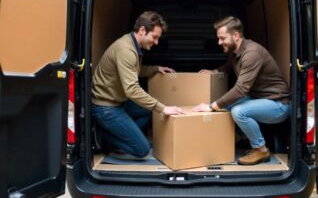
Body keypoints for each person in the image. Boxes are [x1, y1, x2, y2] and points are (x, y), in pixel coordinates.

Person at [193, 16, 290, 165]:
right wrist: (214, 71)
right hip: (259, 99)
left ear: (236, 36)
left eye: (222, 38)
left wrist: (211, 106)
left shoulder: (252, 53)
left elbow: (240, 90)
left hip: (278, 104)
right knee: (226, 106)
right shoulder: (236, 52)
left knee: (239, 111)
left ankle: (261, 150)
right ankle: (242, 138)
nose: (219, 42)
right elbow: (228, 67)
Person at [91, 11, 184, 158]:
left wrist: (155, 68)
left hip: (118, 102)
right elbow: (132, 90)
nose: (156, 42)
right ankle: (104, 134)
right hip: (106, 107)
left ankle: (124, 135)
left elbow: (134, 70)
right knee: (142, 149)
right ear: (142, 30)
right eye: (154, 37)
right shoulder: (126, 50)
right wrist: (163, 108)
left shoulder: (131, 44)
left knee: (147, 112)